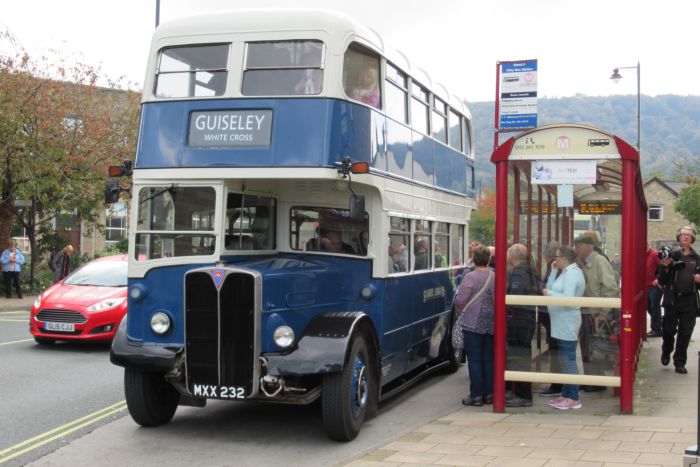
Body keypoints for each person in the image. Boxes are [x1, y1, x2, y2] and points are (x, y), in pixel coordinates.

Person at [573, 234, 619, 392]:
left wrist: (604, 312)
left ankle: (597, 382)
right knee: (587, 347)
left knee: (594, 346)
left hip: (595, 312)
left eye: (578, 246)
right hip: (585, 311)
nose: (576, 250)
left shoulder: (600, 262)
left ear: (588, 246)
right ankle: (590, 379)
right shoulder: (582, 263)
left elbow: (610, 288)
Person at [542, 245, 586, 410]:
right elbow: (550, 287)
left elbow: (567, 298)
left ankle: (573, 396)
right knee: (563, 358)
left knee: (568, 359)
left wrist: (550, 294)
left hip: (567, 321)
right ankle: (566, 394)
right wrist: (553, 272)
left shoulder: (572, 274)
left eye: (557, 256)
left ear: (565, 258)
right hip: (560, 322)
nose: (555, 259)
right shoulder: (566, 273)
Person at [454, 245, 495, 407]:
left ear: (473, 259)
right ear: (489, 259)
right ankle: (490, 394)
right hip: (491, 322)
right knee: (489, 359)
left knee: (475, 359)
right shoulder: (495, 276)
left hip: (472, 322)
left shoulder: (470, 277)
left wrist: (460, 310)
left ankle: (476, 395)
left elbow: (460, 300)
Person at [657, 226, 700, 374]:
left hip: (689, 300)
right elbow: (661, 280)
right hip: (672, 299)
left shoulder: (697, 258)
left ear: (692, 239)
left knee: (685, 333)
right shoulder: (671, 255)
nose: (686, 237)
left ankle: (679, 362)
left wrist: (699, 280)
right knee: (668, 331)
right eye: (683, 235)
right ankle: (666, 350)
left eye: (689, 235)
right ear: (678, 237)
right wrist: (666, 268)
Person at [505, 244, 542, 407]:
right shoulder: (532, 270)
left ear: (512, 256)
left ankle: (523, 395)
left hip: (519, 320)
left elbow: (516, 296)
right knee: (522, 356)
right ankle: (520, 393)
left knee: (519, 357)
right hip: (528, 318)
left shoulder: (518, 272)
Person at [538, 241, 563, 398]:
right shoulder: (555, 267)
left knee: (556, 349)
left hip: (554, 315)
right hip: (550, 315)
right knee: (556, 349)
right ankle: (557, 384)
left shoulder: (554, 268)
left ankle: (557, 385)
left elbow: (549, 288)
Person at [646, 243, 663, 337]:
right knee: (649, 307)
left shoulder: (654, 254)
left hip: (655, 286)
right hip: (645, 287)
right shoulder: (640, 255)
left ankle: (656, 330)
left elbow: (662, 267)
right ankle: (658, 325)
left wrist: (658, 278)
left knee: (654, 307)